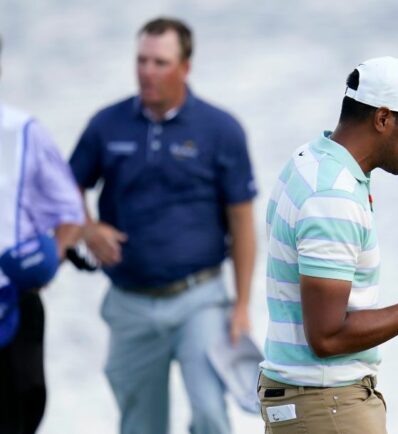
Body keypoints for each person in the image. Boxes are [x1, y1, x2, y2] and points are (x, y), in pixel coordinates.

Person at [258, 56, 398, 434]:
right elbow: (327, 336)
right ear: (383, 118)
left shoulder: (308, 161)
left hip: (311, 401)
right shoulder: (333, 195)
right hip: (328, 404)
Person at [68, 17, 257, 434]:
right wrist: (88, 228)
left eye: (159, 62)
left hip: (200, 297)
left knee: (211, 413)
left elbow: (242, 221)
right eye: (141, 61)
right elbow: (64, 187)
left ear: (185, 67)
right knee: (140, 425)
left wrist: (242, 304)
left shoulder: (221, 130)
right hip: (130, 301)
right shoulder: (106, 124)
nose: (147, 72)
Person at [0, 35, 84, 434]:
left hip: (13, 302)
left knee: (21, 416)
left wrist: (50, 259)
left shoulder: (23, 132)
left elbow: (69, 210)